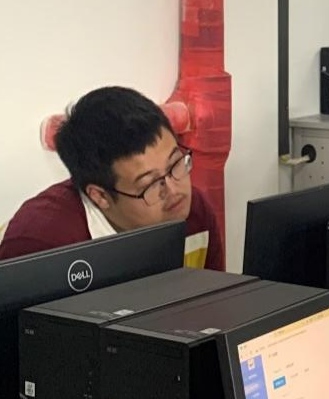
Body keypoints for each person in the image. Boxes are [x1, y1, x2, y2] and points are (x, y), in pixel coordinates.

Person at [0, 86, 223, 269]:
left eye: (175, 164)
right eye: (150, 184)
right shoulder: (41, 245)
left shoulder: (192, 211)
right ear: (100, 196)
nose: (174, 190)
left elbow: (216, 303)